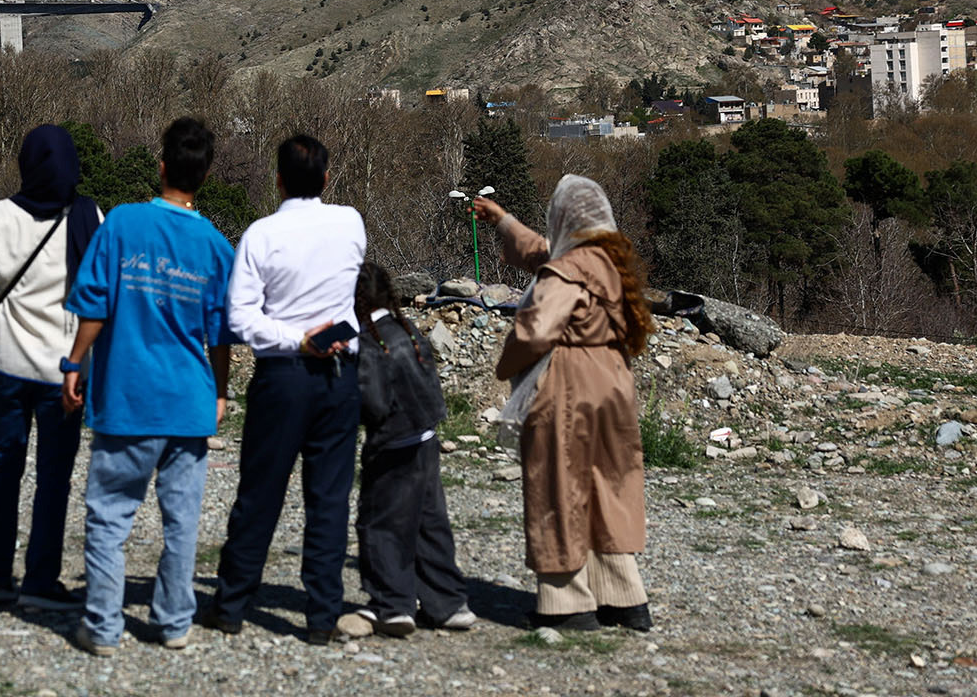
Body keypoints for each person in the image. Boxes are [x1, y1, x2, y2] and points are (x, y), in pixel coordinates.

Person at [60, 117, 235, 656]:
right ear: (204, 175)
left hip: (126, 399)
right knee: (182, 520)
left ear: (161, 166)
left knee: (110, 515)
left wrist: (74, 362)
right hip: (188, 402)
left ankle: (104, 628)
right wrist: (221, 392)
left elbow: (95, 304)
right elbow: (220, 335)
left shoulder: (121, 224)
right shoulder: (214, 245)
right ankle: (174, 621)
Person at [202, 134, 365, 645]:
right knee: (329, 498)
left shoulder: (260, 235)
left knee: (260, 492)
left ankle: (231, 605)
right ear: (326, 178)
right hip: (340, 376)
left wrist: (296, 337)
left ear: (277, 179)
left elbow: (242, 317)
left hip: (283, 376)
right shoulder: (350, 223)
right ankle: (321, 615)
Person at [473, 176, 656, 632]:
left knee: (558, 486)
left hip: (570, 387)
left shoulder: (567, 271)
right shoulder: (610, 264)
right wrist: (504, 222)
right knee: (606, 488)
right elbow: (545, 253)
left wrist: (506, 365)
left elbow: (536, 329)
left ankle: (566, 602)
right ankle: (624, 598)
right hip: (613, 384)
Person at [0, 124, 103, 610]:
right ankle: (40, 579)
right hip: (64, 370)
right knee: (54, 475)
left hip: (6, 363)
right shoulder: (88, 215)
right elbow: (98, 290)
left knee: (4, 464)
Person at [351, 259, 475, 635]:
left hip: (392, 444)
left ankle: (394, 604)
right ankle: (448, 604)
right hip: (426, 439)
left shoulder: (368, 340)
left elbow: (372, 401)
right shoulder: (409, 330)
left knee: (381, 523)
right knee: (429, 523)